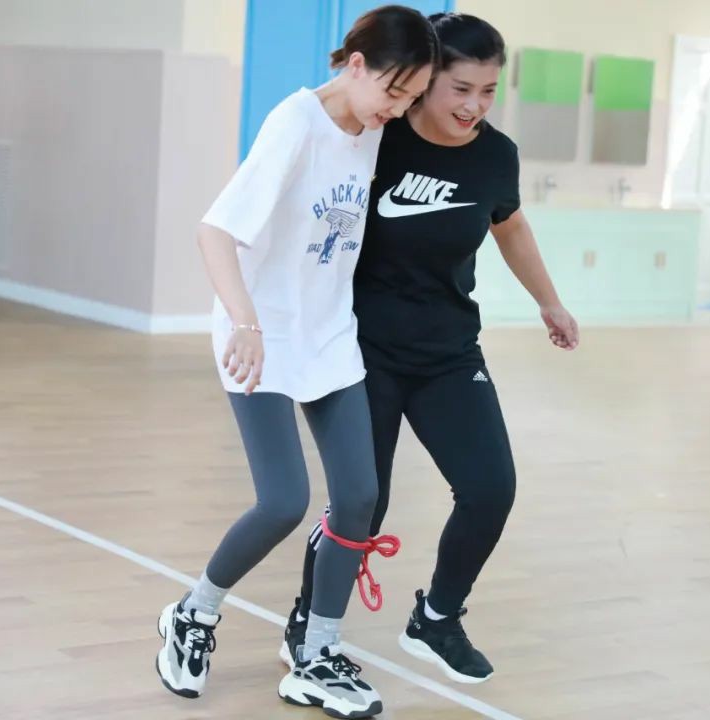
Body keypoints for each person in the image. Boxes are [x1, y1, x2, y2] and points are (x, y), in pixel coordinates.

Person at [282, 12, 579, 686]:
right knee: (363, 502)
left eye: (489, 91)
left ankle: (436, 618)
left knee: (490, 489)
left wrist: (549, 301)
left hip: (448, 352)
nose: (475, 106)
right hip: (363, 352)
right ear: (425, 81)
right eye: (460, 89)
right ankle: (308, 621)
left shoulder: (496, 156)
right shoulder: (377, 138)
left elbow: (510, 225)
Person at [155, 7, 435, 718]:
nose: (396, 111)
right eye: (394, 92)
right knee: (282, 500)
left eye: (410, 99)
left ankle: (316, 653)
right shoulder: (295, 124)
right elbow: (214, 232)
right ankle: (193, 612)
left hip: (328, 334)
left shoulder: (372, 125)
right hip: (260, 333)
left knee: (360, 495)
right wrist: (246, 324)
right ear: (356, 64)